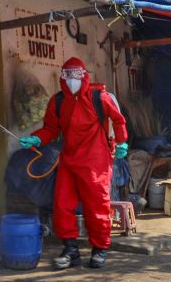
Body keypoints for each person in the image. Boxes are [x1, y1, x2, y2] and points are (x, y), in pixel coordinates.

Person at [19, 57, 128, 269]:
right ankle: (70, 250)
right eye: (67, 75)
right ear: (61, 77)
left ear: (84, 74)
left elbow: (118, 119)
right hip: (69, 160)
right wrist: (37, 138)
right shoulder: (58, 101)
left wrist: (122, 142)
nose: (71, 80)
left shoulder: (99, 97)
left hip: (97, 160)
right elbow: (51, 128)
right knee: (61, 205)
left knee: (97, 207)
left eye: (76, 74)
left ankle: (99, 250)